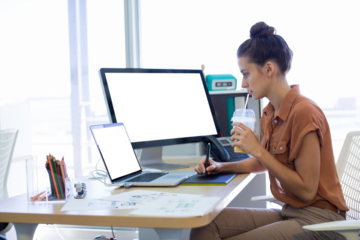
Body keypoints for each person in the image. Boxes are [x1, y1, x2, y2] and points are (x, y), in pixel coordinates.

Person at [190, 22, 349, 240]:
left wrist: (258, 150)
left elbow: (306, 191)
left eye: (246, 73)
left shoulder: (304, 113)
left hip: (319, 220)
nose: (244, 83)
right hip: (291, 212)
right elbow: (265, 163)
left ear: (268, 69)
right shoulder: (269, 113)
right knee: (205, 226)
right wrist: (221, 167)